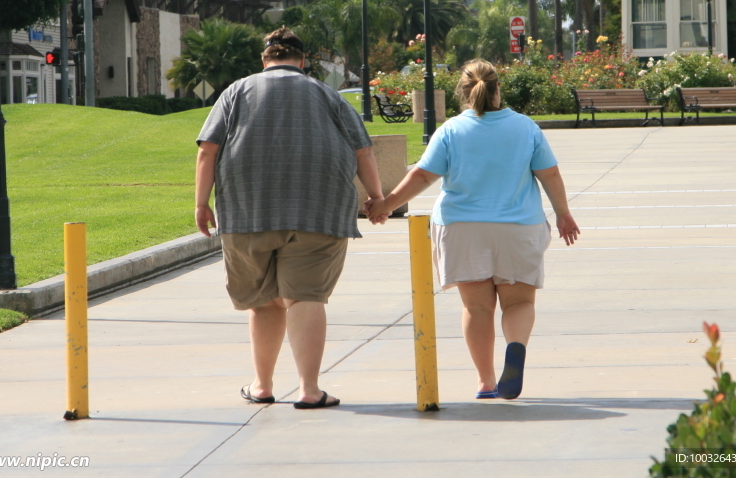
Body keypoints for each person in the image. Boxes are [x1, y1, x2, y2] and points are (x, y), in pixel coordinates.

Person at [195, 26, 384, 410]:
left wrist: (201, 203)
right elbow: (363, 151)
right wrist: (378, 198)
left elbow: (207, 150)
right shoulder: (327, 94)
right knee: (305, 297)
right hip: (318, 210)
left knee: (262, 302)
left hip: (247, 212)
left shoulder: (236, 91)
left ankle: (262, 385)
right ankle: (310, 390)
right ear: (301, 61)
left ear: (265, 60)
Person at [367, 59, 579, 400]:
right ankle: (515, 347)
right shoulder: (525, 128)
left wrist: (385, 204)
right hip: (518, 228)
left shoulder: (451, 130)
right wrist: (563, 214)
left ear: (463, 93)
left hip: (462, 229)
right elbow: (549, 173)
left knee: (477, 308)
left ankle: (486, 381)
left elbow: (423, 175)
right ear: (498, 89)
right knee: (519, 303)